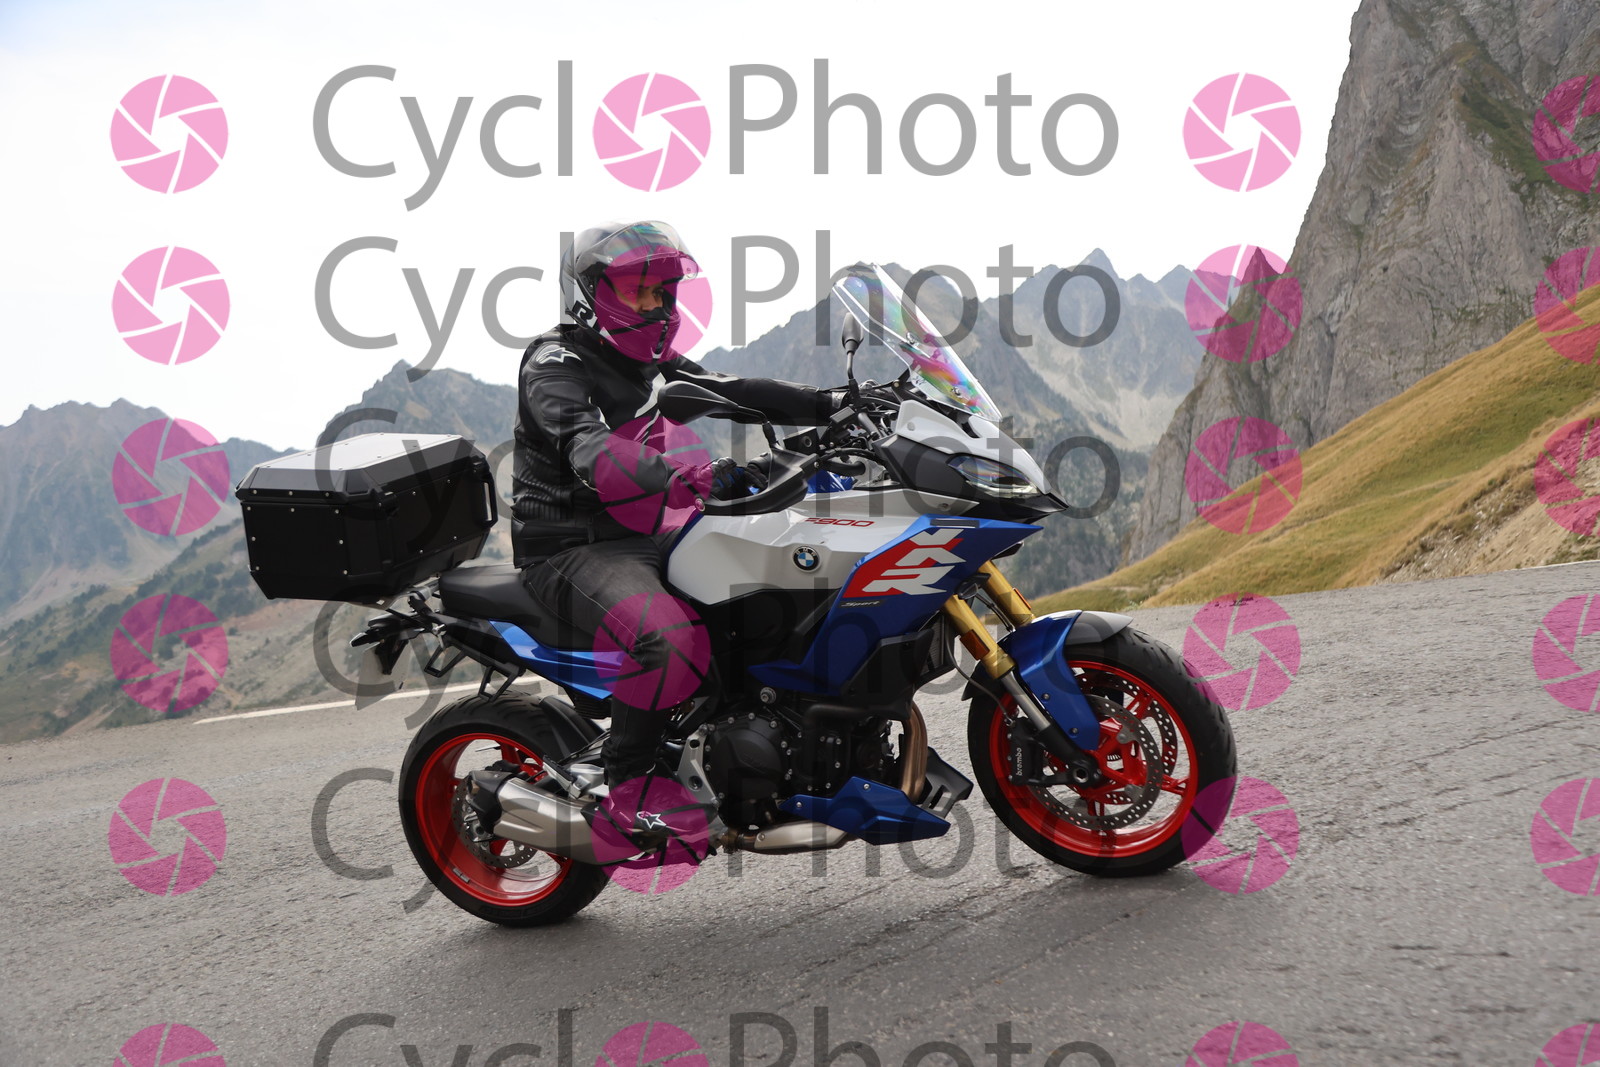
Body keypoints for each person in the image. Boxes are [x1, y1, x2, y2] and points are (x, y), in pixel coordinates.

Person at [511, 220, 840, 793]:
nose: (655, 305)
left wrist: (833, 404)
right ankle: (629, 784)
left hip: (646, 527)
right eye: (637, 290)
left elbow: (731, 390)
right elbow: (587, 444)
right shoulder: (554, 362)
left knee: (769, 572)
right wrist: (682, 477)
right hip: (572, 546)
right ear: (591, 295)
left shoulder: (648, 360)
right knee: (666, 639)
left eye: (662, 291)